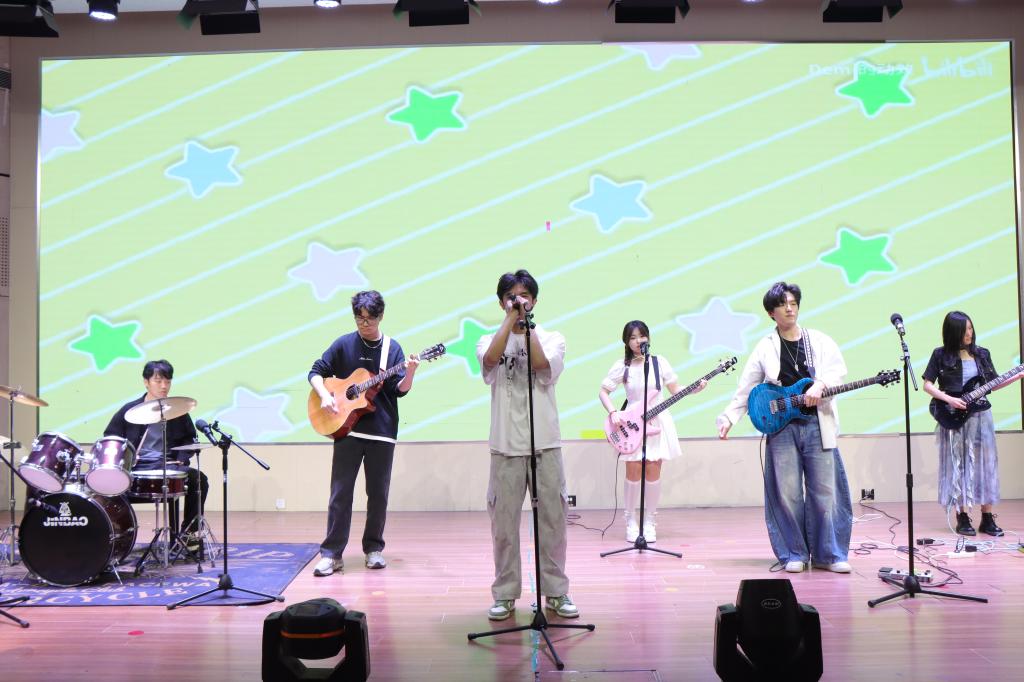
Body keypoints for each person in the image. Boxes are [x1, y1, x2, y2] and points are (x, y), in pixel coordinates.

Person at [715, 282, 853, 574]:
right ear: (771, 313)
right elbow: (747, 387)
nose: (790, 309)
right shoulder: (765, 346)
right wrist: (729, 417)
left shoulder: (819, 341)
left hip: (817, 423)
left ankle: (829, 554)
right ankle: (795, 552)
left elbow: (837, 370)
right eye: (783, 305)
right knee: (787, 492)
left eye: (793, 303)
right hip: (781, 427)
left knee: (825, 490)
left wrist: (821, 384)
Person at [476, 269, 578, 621]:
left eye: (524, 297)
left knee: (553, 522)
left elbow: (541, 366)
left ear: (535, 300)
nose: (518, 302)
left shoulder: (552, 338)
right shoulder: (488, 339)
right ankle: (505, 594)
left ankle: (556, 592)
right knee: (503, 526)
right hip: (505, 446)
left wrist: (526, 325)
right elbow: (490, 362)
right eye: (511, 297)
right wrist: (510, 321)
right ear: (501, 302)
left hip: (545, 444)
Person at [308, 290, 419, 577]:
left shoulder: (392, 349)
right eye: (359, 318)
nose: (364, 323)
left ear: (381, 316)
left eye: (369, 319)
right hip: (347, 430)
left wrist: (410, 372)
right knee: (340, 493)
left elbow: (399, 390)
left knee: (378, 494)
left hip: (382, 431)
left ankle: (373, 549)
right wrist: (325, 395)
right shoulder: (344, 344)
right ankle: (331, 554)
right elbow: (315, 372)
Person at [598, 320, 705, 543]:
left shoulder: (660, 363)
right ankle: (630, 521)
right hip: (632, 424)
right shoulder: (623, 366)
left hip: (658, 422)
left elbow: (675, 390)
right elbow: (603, 392)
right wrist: (613, 412)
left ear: (648, 337)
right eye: (633, 337)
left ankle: (649, 521)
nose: (638, 341)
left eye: (642, 336)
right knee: (633, 471)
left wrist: (694, 389)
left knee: (654, 470)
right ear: (626, 342)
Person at [922, 311, 1020, 537]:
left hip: (981, 416)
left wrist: (1016, 376)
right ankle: (963, 516)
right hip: (953, 415)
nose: (970, 333)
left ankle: (987, 517)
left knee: (986, 464)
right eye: (965, 329)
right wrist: (949, 399)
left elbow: (992, 384)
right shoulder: (940, 354)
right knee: (958, 465)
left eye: (971, 328)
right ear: (953, 332)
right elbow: (928, 385)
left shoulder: (982, 354)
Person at [104, 359, 208, 546]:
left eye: (168, 381)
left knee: (199, 479)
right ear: (146, 382)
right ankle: (117, 538)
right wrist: (124, 457)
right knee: (107, 485)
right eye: (158, 381)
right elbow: (111, 437)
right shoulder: (130, 410)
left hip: (168, 466)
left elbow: (190, 440)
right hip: (136, 468)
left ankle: (188, 534)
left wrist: (181, 460)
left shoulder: (178, 410)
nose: (164, 386)